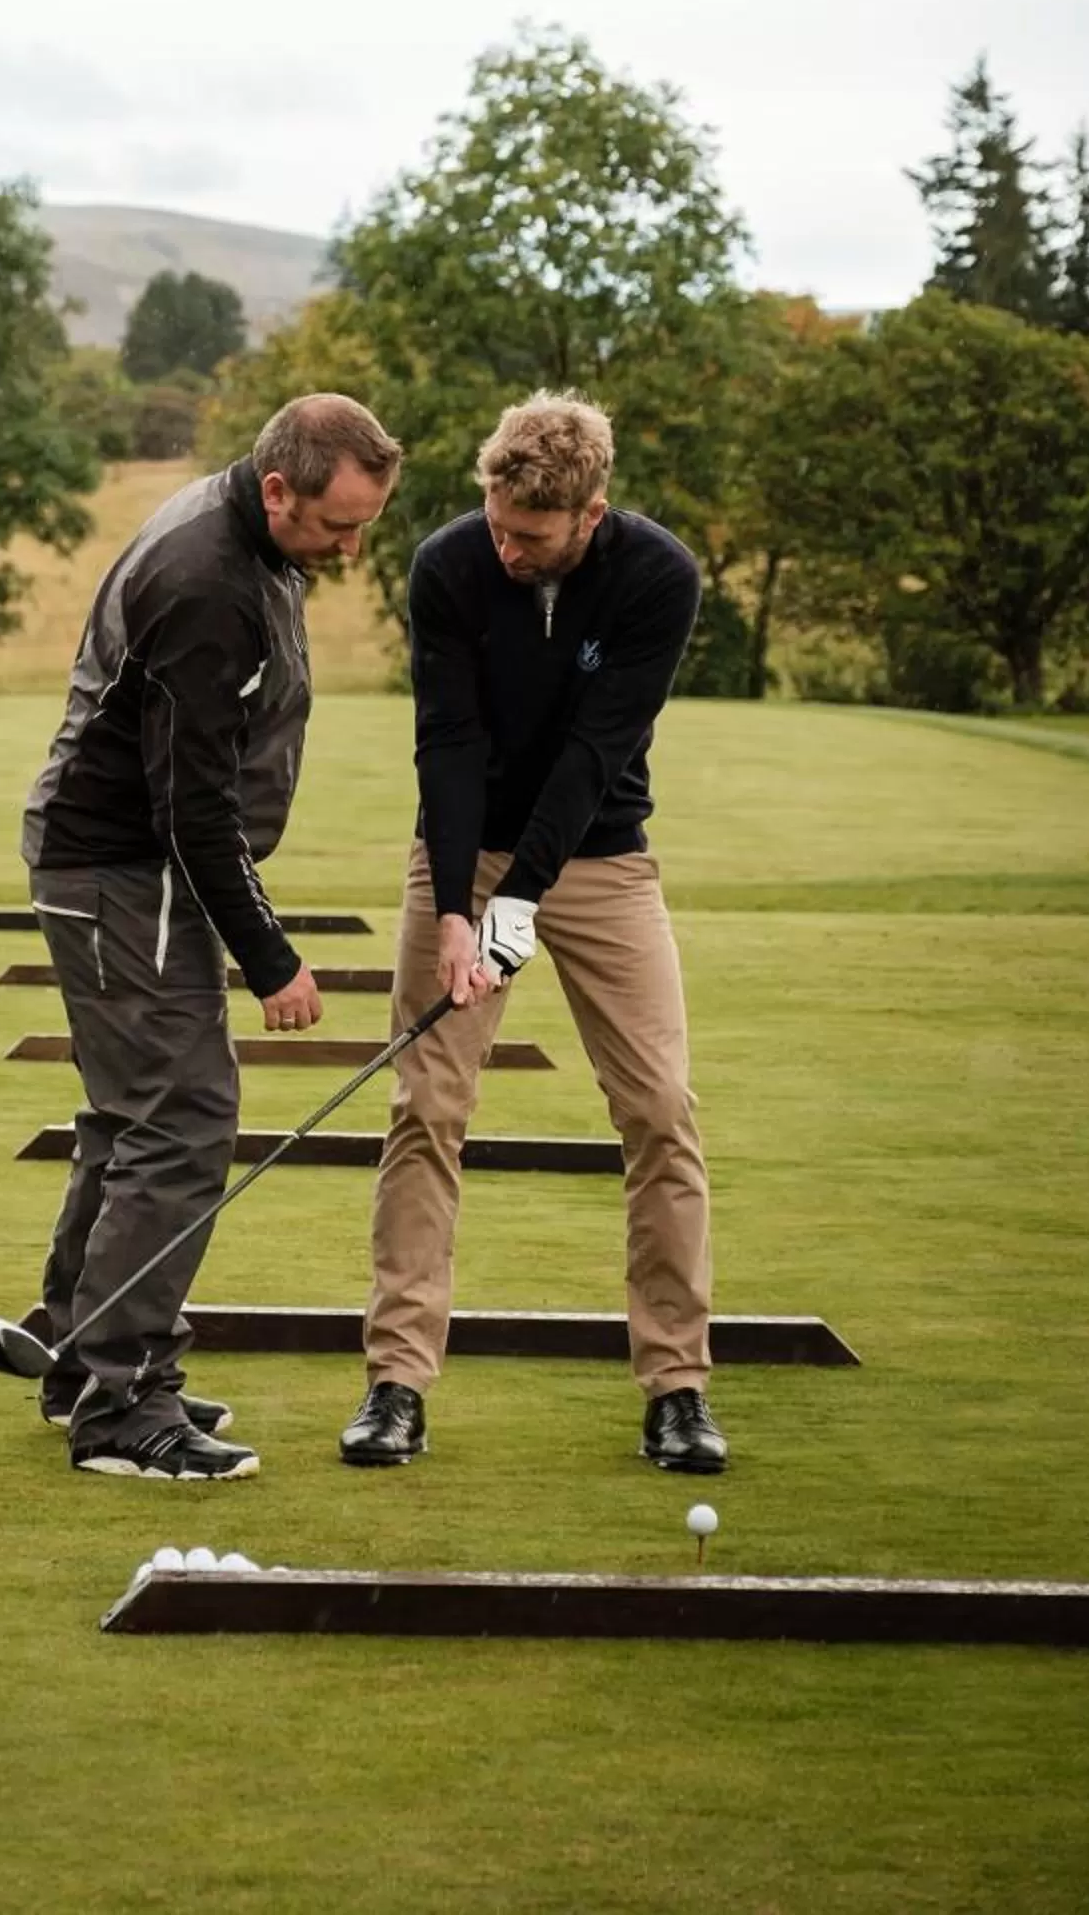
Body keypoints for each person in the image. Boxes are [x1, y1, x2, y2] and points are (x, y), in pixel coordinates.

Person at [340, 390, 726, 1476]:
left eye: (531, 537)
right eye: (497, 523)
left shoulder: (657, 577)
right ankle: (395, 1383)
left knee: (657, 1109)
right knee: (426, 1106)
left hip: (602, 856)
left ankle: (676, 1388)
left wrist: (525, 901)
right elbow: (447, 741)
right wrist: (464, 907)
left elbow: (596, 751)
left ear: (589, 515)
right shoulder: (448, 565)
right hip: (459, 853)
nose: (506, 549)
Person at [21, 391, 402, 1481]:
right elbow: (190, 808)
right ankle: (120, 1401)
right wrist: (270, 956)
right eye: (334, 526)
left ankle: (75, 1357)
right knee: (182, 1122)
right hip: (120, 872)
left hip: (120, 869)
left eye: (364, 525)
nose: (348, 547)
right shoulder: (206, 583)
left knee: (129, 1118)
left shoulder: (251, 536)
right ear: (276, 487)